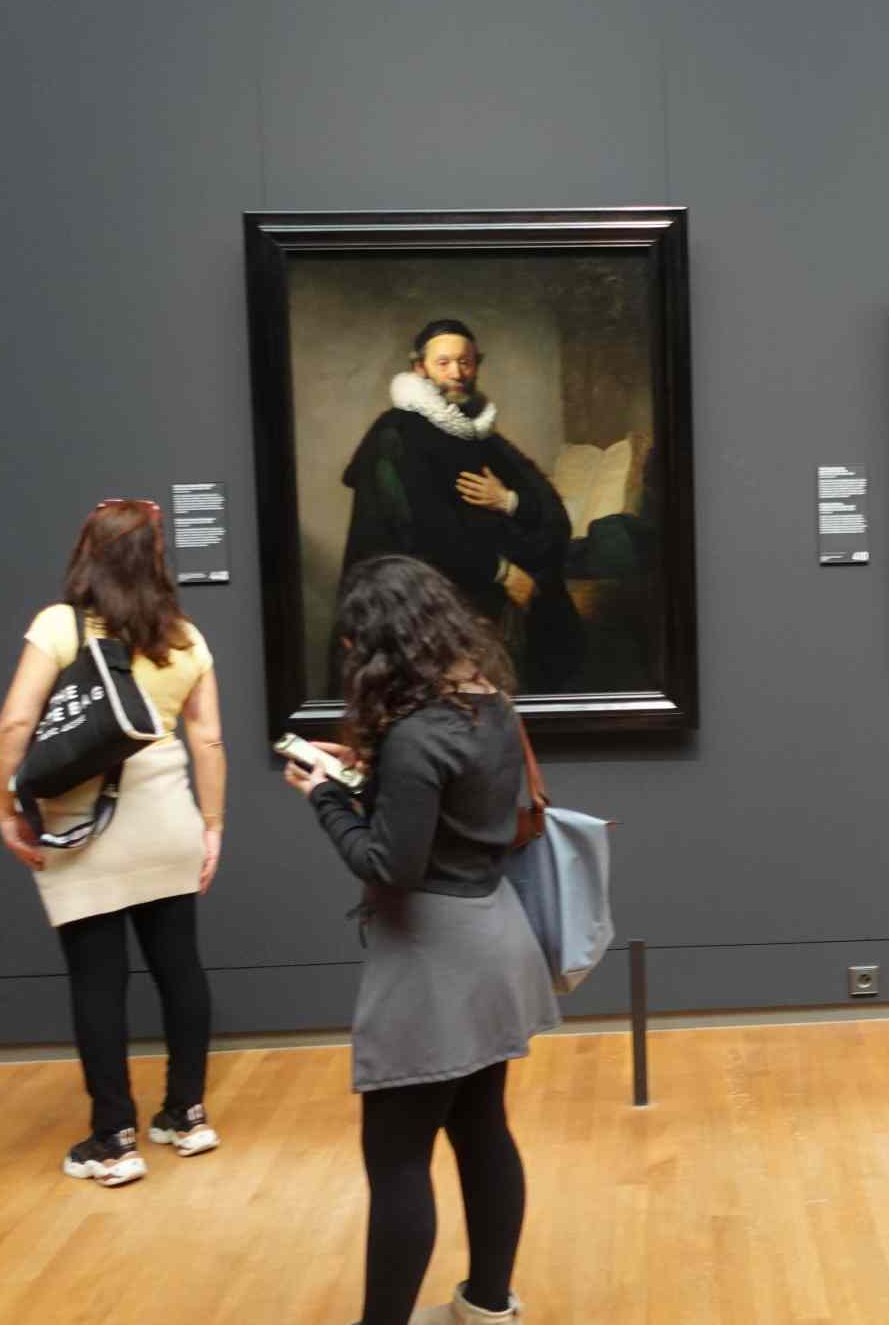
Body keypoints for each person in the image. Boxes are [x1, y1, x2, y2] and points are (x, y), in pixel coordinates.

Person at [282, 554, 558, 1325]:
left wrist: (324, 797)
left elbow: (388, 863)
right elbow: (453, 806)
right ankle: (489, 1307)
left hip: (435, 958)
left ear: (382, 646)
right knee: (482, 1128)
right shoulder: (489, 704)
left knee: (397, 1157)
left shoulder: (414, 736)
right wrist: (366, 772)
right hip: (494, 933)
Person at [0, 498, 228, 1188]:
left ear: (88, 553)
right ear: (157, 560)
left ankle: (113, 1138)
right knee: (179, 968)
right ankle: (187, 1114)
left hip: (82, 827)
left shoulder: (60, 626)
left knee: (99, 981)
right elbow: (208, 739)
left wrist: (5, 809)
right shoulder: (183, 636)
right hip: (169, 819)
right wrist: (212, 825)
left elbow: (16, 725)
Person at [336, 319, 583, 694]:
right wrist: (503, 572)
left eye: (465, 362)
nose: (457, 373)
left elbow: (549, 508)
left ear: (476, 366)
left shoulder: (479, 431)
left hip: (490, 595)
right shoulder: (396, 433)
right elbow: (420, 529)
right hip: (428, 601)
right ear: (420, 368)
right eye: (444, 362)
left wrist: (508, 500)